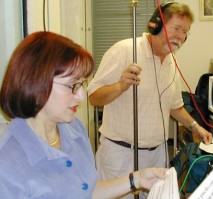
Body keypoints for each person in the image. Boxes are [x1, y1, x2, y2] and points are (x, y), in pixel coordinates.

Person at [0, 31, 167, 199]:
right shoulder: (7, 160)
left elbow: (87, 190)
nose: (81, 95)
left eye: (81, 84)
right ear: (36, 83)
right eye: (72, 85)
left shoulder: (73, 129)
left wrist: (136, 179)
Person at [88, 2, 213, 198]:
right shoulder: (124, 51)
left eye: (184, 32)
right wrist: (120, 85)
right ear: (156, 25)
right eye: (176, 28)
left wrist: (195, 126)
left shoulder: (171, 62)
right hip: (121, 156)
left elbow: (174, 106)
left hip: (157, 155)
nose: (180, 36)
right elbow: (94, 97)